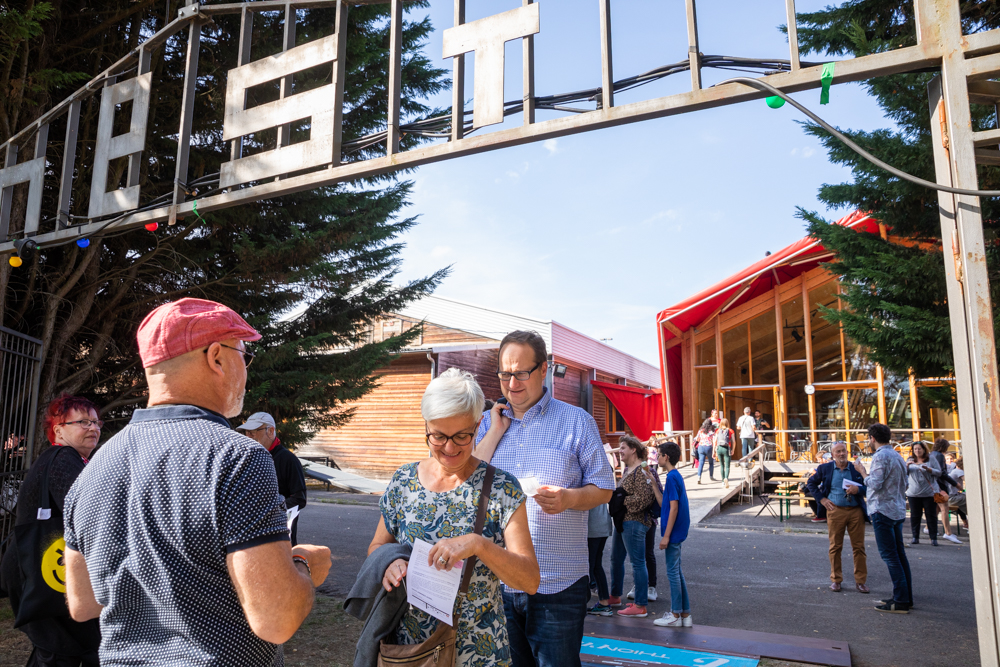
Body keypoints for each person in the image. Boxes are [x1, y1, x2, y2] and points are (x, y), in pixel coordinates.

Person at [62, 298, 332, 666]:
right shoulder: (238, 457)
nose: (246, 370)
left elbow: (83, 604)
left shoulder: (92, 468)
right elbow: (277, 619)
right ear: (216, 357)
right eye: (244, 356)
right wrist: (303, 565)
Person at [368, 368, 539, 667]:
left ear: (477, 425)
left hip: (480, 652)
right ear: (426, 426)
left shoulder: (502, 488)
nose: (449, 448)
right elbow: (376, 548)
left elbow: (529, 580)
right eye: (438, 436)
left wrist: (479, 545)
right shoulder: (403, 481)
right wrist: (389, 564)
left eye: (462, 436)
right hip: (412, 652)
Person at [473, 330, 615, 667]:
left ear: (543, 369)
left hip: (559, 584)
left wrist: (568, 498)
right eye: (505, 374)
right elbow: (470, 482)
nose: (512, 383)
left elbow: (604, 487)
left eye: (521, 372)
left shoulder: (576, 421)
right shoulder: (486, 425)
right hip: (499, 583)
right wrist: (494, 430)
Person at [0, 395, 102, 667]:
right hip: (43, 575)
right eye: (83, 421)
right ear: (58, 430)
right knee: (65, 650)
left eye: (95, 421)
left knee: (66, 649)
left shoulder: (69, 459)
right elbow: (87, 514)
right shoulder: (62, 457)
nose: (93, 427)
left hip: (38, 571)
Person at [854, 423, 912, 613]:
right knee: (899, 556)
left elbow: (875, 484)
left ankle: (901, 601)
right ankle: (904, 596)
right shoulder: (897, 455)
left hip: (882, 510)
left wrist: (862, 472)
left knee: (891, 557)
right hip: (896, 509)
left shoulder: (880, 456)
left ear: (872, 438)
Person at [805, 443, 869, 594]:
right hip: (835, 511)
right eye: (838, 452)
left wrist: (858, 489)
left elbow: (869, 486)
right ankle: (836, 579)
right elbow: (811, 483)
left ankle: (860, 581)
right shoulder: (825, 468)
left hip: (855, 511)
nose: (841, 454)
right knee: (835, 547)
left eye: (844, 451)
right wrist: (822, 500)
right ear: (832, 455)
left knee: (859, 547)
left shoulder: (856, 468)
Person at [238, 412, 308, 545]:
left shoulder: (288, 459)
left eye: (253, 432)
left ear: (270, 431)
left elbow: (300, 498)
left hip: (280, 534)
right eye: (246, 432)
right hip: (252, 535)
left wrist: (270, 511)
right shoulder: (247, 459)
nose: (248, 436)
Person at [608, 436, 654, 618]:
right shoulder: (628, 470)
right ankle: (615, 595)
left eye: (623, 447)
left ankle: (640, 605)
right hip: (623, 522)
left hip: (634, 522)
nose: (620, 451)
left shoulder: (642, 470)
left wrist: (620, 500)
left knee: (637, 562)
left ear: (633, 449)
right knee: (615, 559)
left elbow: (645, 499)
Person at [652, 441, 692, 628]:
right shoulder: (673, 477)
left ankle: (675, 614)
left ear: (665, 457)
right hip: (677, 531)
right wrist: (653, 483)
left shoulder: (672, 477)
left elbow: (673, 507)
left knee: (672, 573)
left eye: (659, 454)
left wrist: (666, 536)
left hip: (673, 532)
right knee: (677, 572)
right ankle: (684, 614)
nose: (657, 457)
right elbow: (664, 504)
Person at [906, 441, 941, 546]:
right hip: (913, 493)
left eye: (919, 449)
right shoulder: (910, 460)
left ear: (924, 449)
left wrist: (928, 469)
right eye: (915, 449)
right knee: (915, 516)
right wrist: (906, 466)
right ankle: (915, 537)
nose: (917, 451)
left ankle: (933, 538)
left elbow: (939, 472)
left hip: (929, 493)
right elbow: (903, 474)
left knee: (931, 515)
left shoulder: (931, 459)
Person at [930, 439, 962, 544]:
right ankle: (948, 533)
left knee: (938, 508)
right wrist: (955, 483)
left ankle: (928, 527)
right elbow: (942, 473)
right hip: (939, 485)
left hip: (933, 485)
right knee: (944, 508)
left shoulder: (932, 454)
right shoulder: (939, 455)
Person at [586, 504, 613, 616]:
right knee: (596, 565)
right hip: (603, 525)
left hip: (592, 527)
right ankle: (604, 602)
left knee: (589, 567)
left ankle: (580, 603)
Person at [693, 419, 716, 484]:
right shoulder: (711, 431)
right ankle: (711, 476)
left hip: (701, 447)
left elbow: (696, 438)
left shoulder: (700, 431)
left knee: (701, 463)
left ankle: (699, 477)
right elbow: (714, 440)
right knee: (711, 462)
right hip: (708, 447)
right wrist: (714, 450)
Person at [714, 418, 734, 489]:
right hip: (726, 448)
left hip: (719, 448)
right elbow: (733, 441)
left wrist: (714, 450)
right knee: (727, 466)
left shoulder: (717, 431)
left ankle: (722, 481)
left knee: (722, 465)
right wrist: (733, 449)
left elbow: (715, 441)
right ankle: (726, 478)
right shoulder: (730, 431)